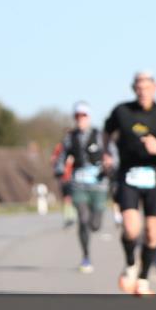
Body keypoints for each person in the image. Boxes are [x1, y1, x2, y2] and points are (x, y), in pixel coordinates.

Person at [103, 71, 156, 297]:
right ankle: (131, 264)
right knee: (131, 229)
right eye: (139, 88)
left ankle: (143, 279)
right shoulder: (122, 111)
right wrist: (106, 153)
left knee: (152, 235)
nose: (143, 92)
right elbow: (106, 131)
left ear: (155, 87)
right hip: (128, 175)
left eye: (147, 87)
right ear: (134, 89)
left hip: (153, 176)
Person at [54, 101, 108, 273]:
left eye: (83, 116)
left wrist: (111, 164)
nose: (80, 119)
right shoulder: (70, 138)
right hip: (79, 184)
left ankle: (96, 218)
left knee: (95, 224)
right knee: (83, 219)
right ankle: (86, 257)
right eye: (77, 116)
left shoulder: (100, 135)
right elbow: (61, 157)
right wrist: (60, 170)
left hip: (99, 185)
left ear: (89, 117)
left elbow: (112, 154)